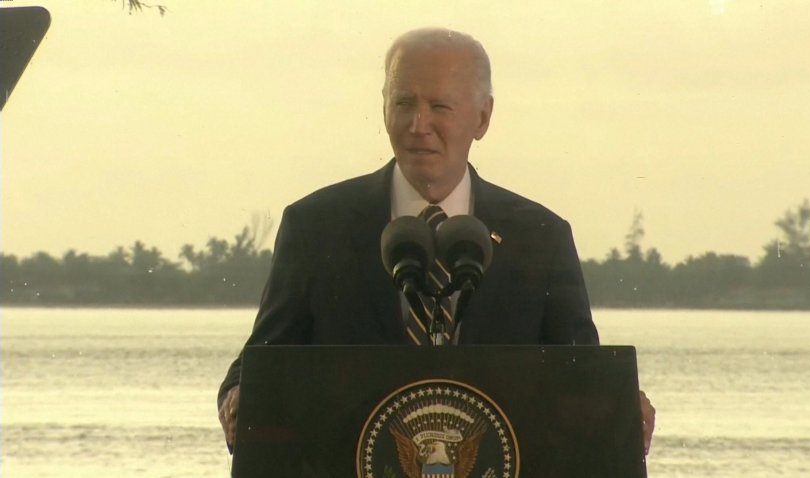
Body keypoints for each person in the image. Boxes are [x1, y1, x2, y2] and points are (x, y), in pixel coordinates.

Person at [218, 27, 655, 454]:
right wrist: (237, 396)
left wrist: (620, 406)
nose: (417, 124)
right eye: (404, 103)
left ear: (482, 117)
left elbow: (582, 374)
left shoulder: (541, 237)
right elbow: (261, 362)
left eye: (439, 106)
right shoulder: (315, 227)